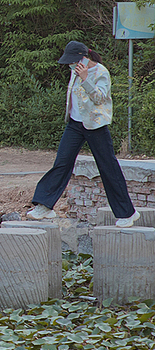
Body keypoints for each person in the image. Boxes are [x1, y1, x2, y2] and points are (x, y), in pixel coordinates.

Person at [27, 41, 140, 226]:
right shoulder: (75, 70)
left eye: (73, 61)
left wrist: (86, 78)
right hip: (75, 124)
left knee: (107, 167)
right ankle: (45, 206)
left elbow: (100, 98)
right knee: (62, 162)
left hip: (95, 125)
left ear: (84, 57)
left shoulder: (101, 72)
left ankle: (127, 213)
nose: (71, 65)